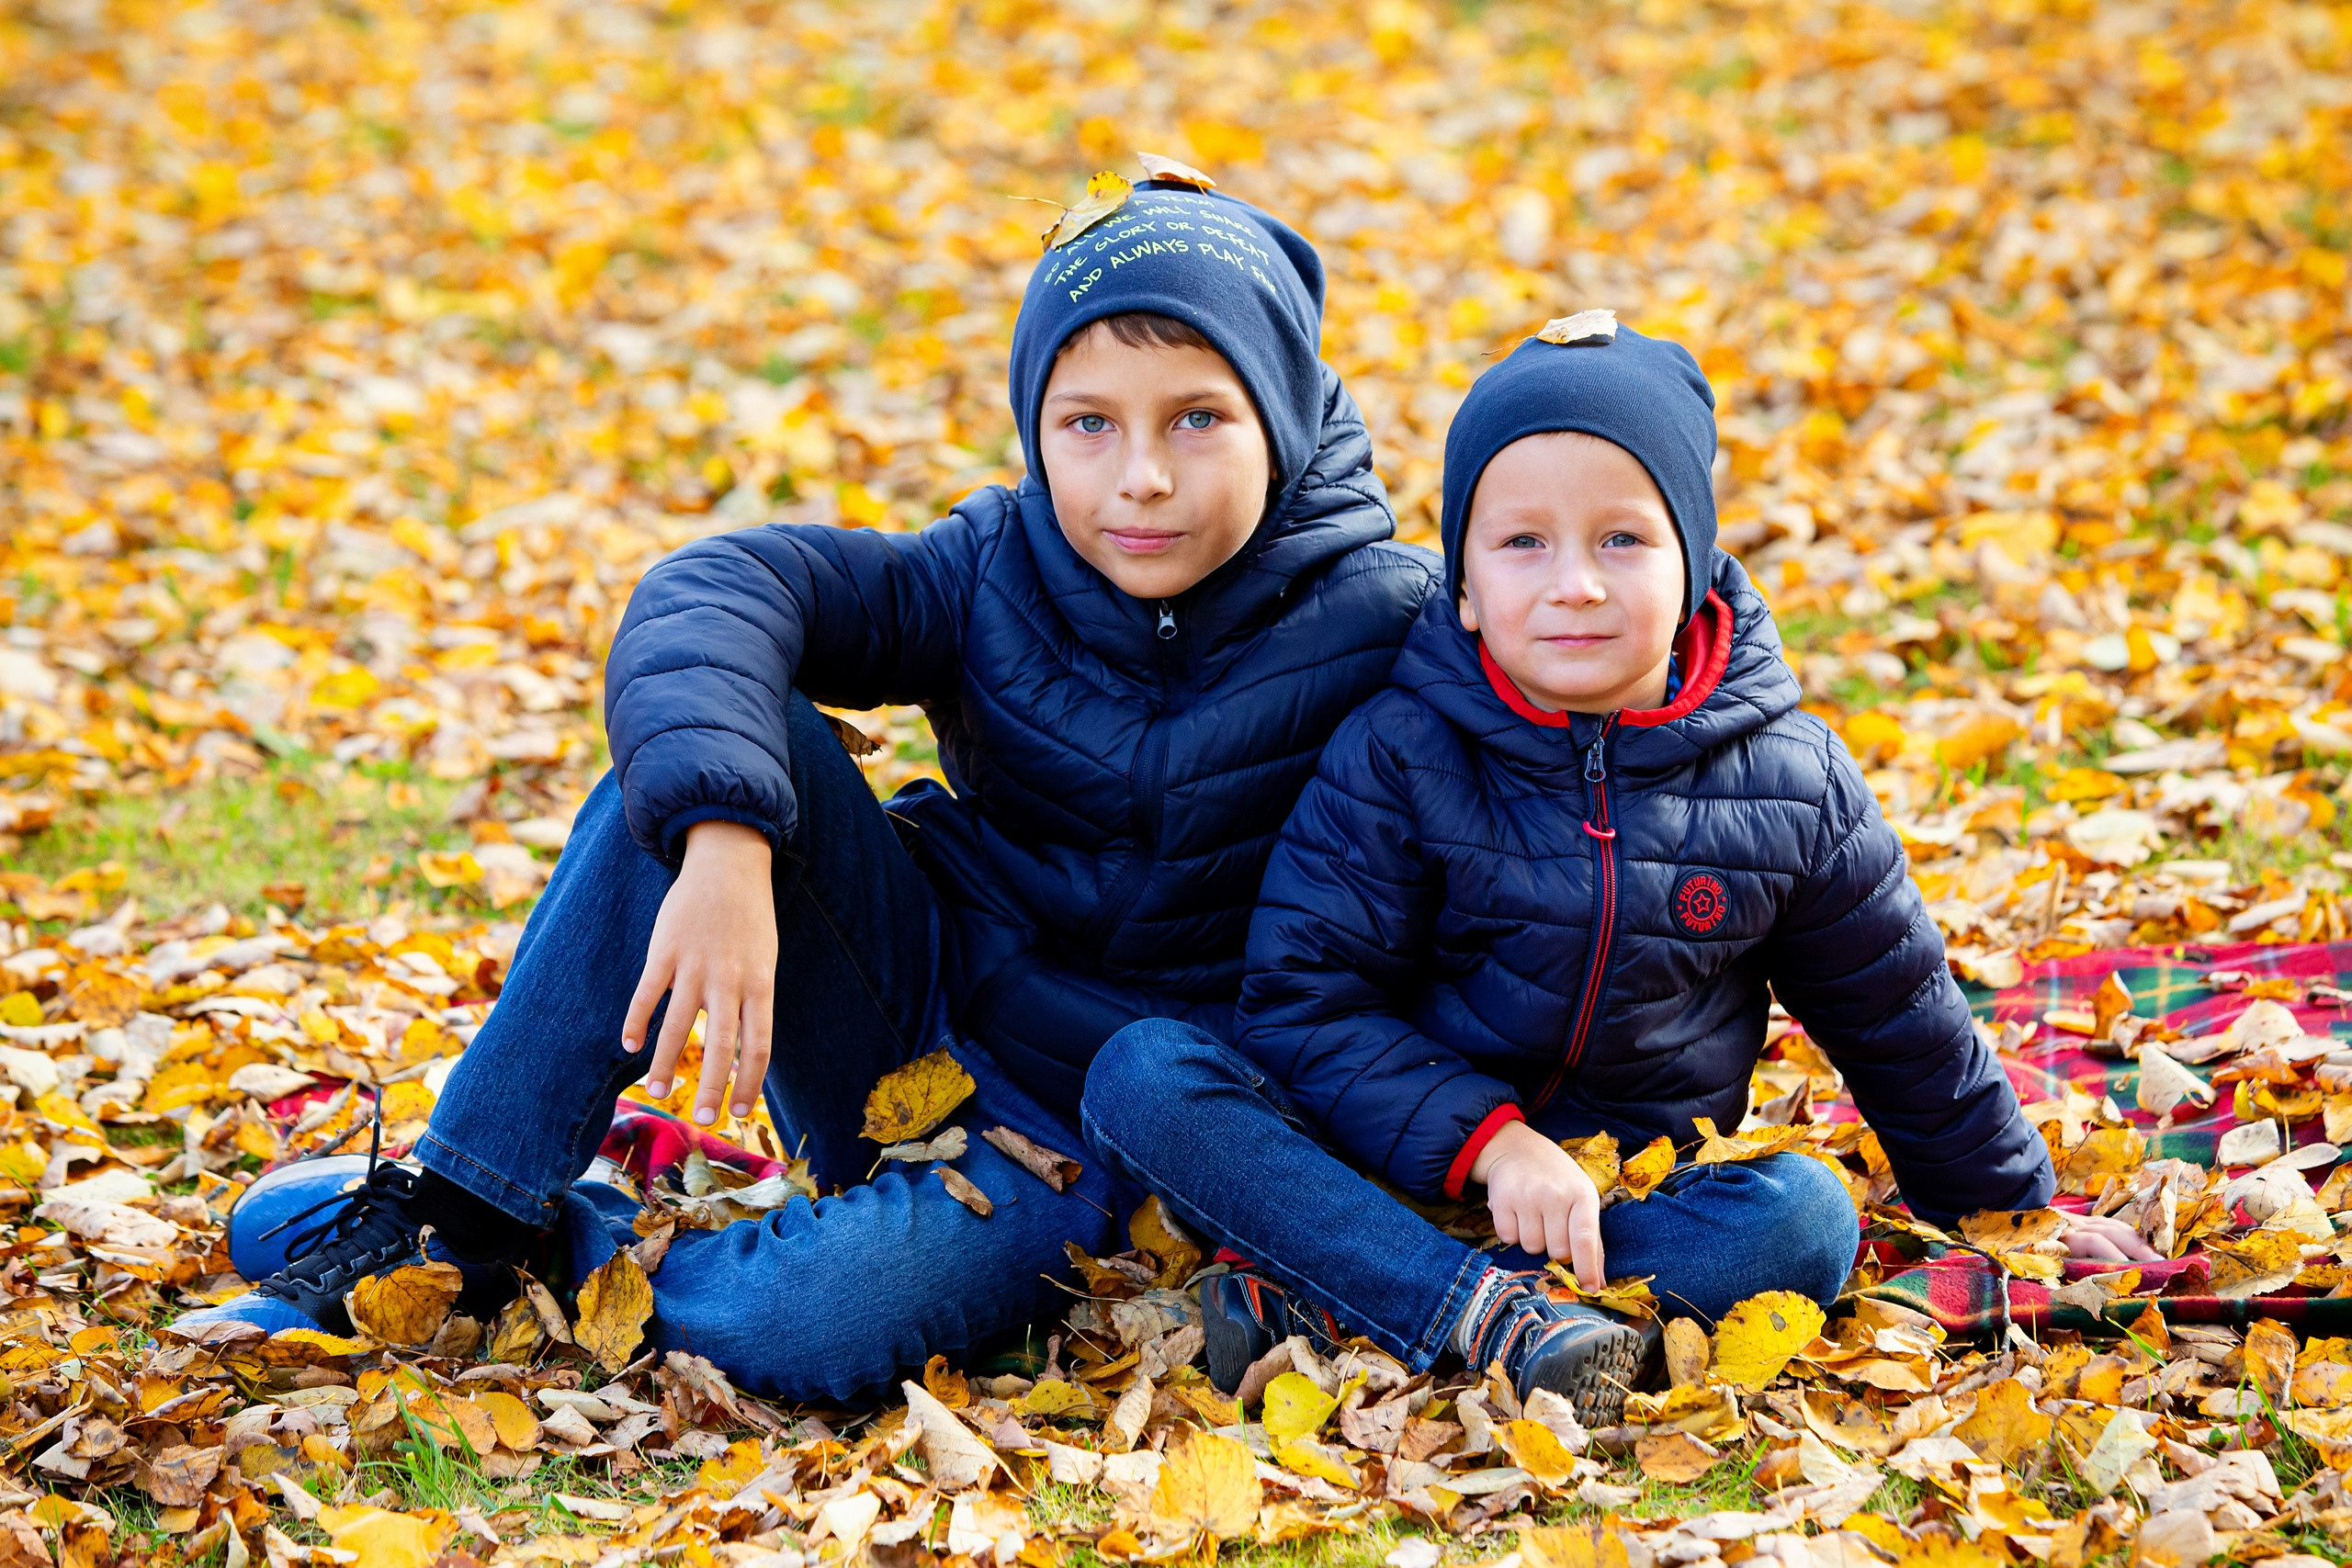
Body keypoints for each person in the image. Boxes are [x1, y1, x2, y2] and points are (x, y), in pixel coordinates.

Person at [175, 176, 1441, 1402]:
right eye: (1089, 421)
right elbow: (717, 588)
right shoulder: (995, 563)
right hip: (915, 1010)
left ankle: (561, 1247)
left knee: (807, 1318)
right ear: (1035, 425)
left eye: (1197, 419)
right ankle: (459, 1207)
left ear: (1279, 411)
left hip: (1102, 1143)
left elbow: (1554, 833)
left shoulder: (1391, 624)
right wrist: (726, 840)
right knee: (704, 763)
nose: (1141, 476)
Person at [1078, 319, 2157, 1424]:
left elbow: (1897, 1015)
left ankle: (1359, 1307)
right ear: (1459, 586)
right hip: (1376, 1168)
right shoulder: (1399, 751)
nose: (1576, 586)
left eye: (1623, 542)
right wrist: (1490, 1147)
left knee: (1803, 1219)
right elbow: (1305, 1004)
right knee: (1144, 1073)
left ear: (1694, 562)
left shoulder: (1788, 779)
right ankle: (1472, 1313)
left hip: (1620, 1206)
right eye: (1522, 545)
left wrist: (2011, 1213)